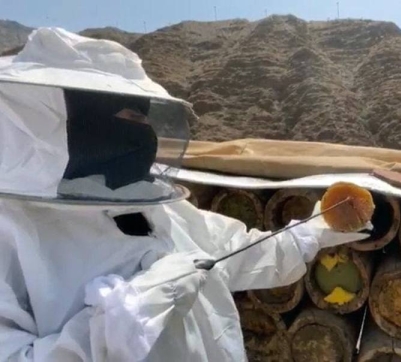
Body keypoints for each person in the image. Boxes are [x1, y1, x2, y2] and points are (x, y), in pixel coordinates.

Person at [0, 28, 369, 361]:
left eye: (145, 119)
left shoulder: (158, 209)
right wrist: (105, 337)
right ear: (68, 122)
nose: (145, 135)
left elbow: (242, 253)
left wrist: (315, 228)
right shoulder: (10, 232)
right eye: (131, 117)